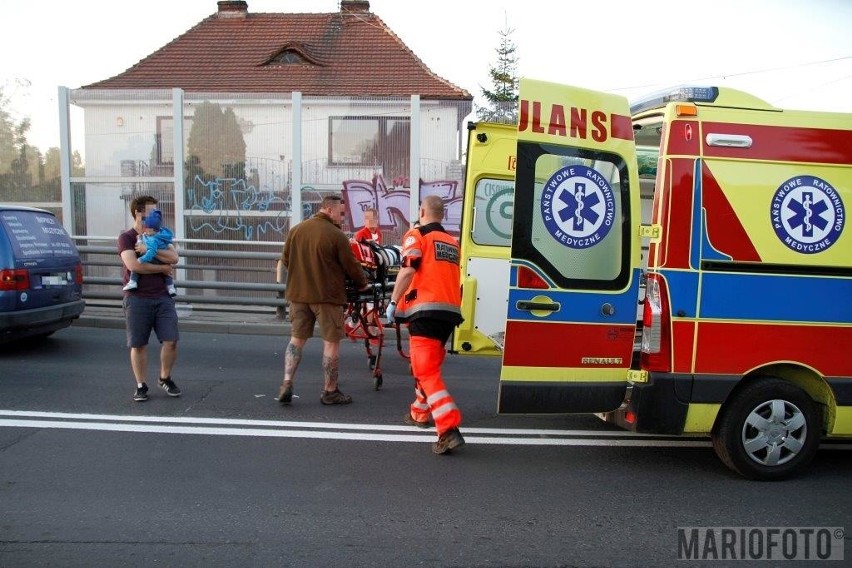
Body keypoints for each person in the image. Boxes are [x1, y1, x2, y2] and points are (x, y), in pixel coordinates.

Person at [385, 195, 465, 454]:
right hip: (448, 313)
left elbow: (409, 269)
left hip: (424, 311)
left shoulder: (416, 235)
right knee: (427, 367)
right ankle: (419, 412)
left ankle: (448, 429)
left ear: (422, 211)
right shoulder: (452, 242)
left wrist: (393, 301)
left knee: (425, 370)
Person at [277, 194, 369, 406]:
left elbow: (286, 259)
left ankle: (287, 382)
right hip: (327, 297)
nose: (343, 217)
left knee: (296, 339)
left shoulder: (296, 230)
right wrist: (362, 283)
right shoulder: (335, 235)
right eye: (341, 213)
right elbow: (351, 266)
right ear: (329, 209)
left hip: (298, 295)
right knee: (331, 343)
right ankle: (330, 391)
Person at [118, 195, 182, 402]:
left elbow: (174, 258)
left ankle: (165, 377)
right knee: (138, 344)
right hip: (137, 297)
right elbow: (134, 266)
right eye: (152, 210)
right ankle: (141, 385)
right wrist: (162, 267)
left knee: (171, 340)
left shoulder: (160, 233)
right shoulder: (126, 237)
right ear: (139, 213)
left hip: (162, 296)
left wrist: (148, 250)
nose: (157, 214)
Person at [122, 208, 177, 297]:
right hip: (141, 296)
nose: (146, 230)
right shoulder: (162, 236)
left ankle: (133, 281)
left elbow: (174, 258)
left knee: (138, 266)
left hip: (160, 294)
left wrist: (144, 254)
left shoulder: (153, 239)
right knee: (167, 275)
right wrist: (164, 268)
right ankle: (171, 287)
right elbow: (134, 266)